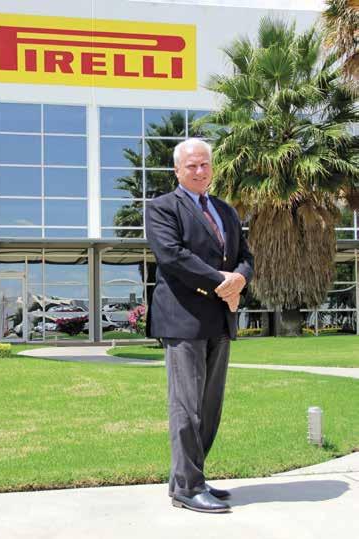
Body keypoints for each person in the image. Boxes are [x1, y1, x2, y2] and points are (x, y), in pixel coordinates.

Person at [145, 138, 254, 514]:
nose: (199, 170)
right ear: (177, 170)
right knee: (186, 408)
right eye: (191, 165)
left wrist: (240, 279)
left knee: (209, 408)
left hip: (219, 319)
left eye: (204, 164)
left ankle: (189, 477)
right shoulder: (162, 208)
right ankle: (187, 489)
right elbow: (172, 256)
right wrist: (222, 282)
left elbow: (245, 256)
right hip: (183, 320)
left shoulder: (225, 210)